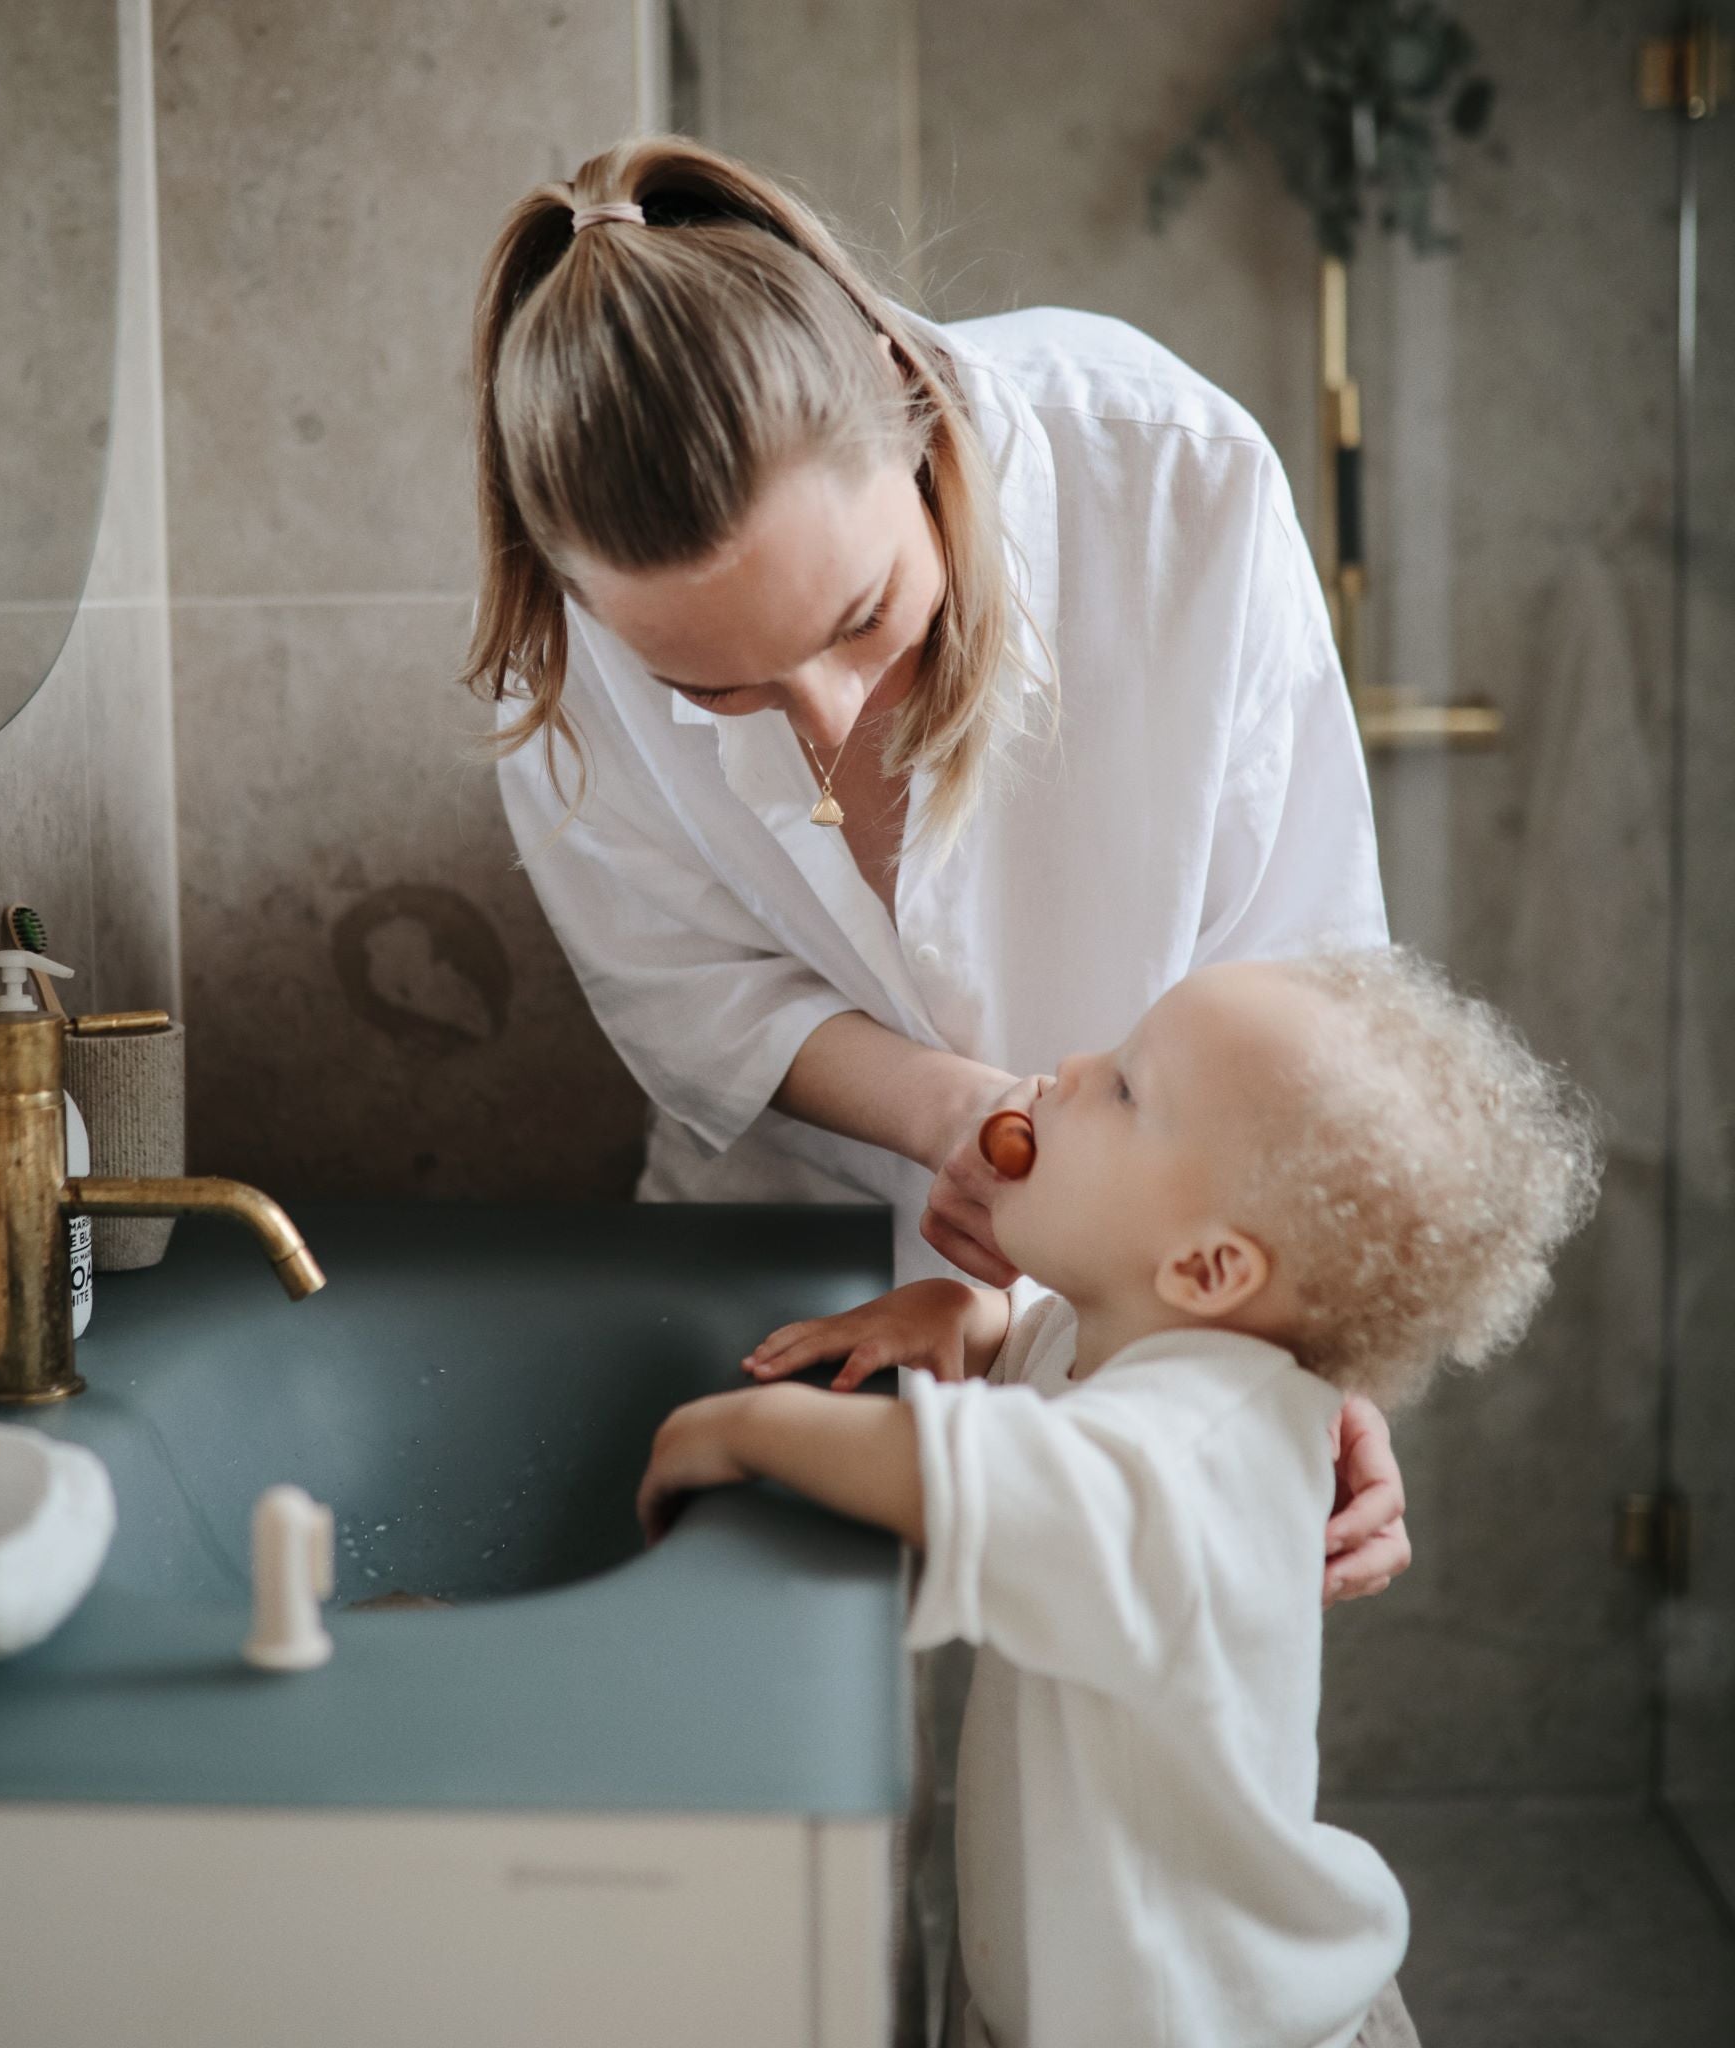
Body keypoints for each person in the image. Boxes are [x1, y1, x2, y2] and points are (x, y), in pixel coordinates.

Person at [463, 132, 1410, 2028]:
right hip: (794, 1249)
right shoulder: (559, 660)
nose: (817, 736)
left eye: (853, 625)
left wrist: (1313, 1347)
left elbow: (1314, 1001)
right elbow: (692, 997)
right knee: (828, 1861)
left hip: (1163, 1272)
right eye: (710, 695)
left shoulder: (1174, 486)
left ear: (905, 406)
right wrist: (968, 1156)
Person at [637, 947, 1603, 2048]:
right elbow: (1050, 1364)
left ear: (1202, 1270)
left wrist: (739, 1425)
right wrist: (967, 1316)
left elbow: (986, 1481)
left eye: (1127, 1086)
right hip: (1102, 1987)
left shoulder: (1192, 1453)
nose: (1067, 1066)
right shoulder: (1140, 1343)